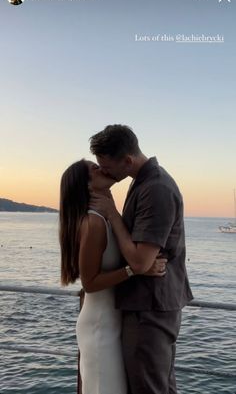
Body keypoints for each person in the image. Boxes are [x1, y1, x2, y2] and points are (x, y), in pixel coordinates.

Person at [89, 124, 194, 394]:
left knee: (148, 387)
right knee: (157, 384)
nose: (104, 171)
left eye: (106, 165)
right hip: (149, 303)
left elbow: (139, 263)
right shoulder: (143, 182)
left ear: (127, 160)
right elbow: (139, 260)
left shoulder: (155, 188)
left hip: (150, 307)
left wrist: (112, 213)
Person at [59, 159, 167, 394]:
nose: (102, 168)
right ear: (87, 186)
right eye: (94, 169)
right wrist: (135, 269)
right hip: (100, 326)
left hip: (112, 321)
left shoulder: (105, 216)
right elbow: (89, 283)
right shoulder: (93, 222)